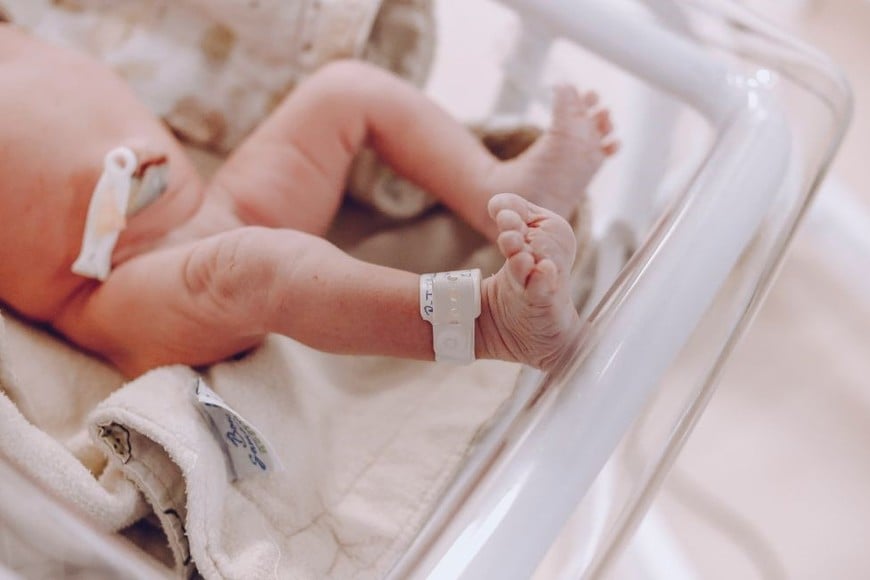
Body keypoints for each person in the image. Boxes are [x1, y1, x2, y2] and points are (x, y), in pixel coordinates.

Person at [0, 25, 617, 378]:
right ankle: (484, 321)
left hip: (213, 206)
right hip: (116, 291)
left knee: (343, 90)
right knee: (254, 268)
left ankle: (495, 189)